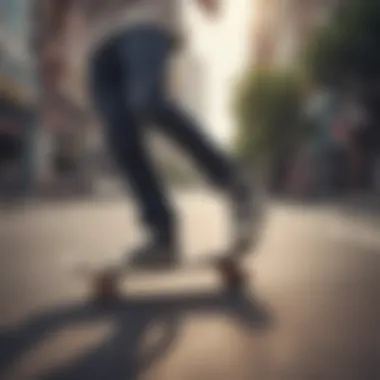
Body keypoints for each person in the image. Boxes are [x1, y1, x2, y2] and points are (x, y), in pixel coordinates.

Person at [42, 0, 261, 268]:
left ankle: (235, 184)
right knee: (119, 135)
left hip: (146, 15)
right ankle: (162, 235)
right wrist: (53, 40)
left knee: (148, 100)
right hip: (98, 38)